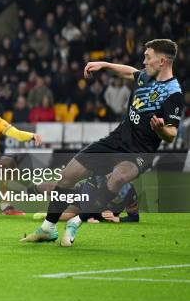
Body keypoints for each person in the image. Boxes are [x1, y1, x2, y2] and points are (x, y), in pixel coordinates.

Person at [22, 39, 184, 246]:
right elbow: (129, 72)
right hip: (117, 139)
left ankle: (77, 220)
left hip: (140, 152)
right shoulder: (146, 76)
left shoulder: (173, 94)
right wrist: (105, 65)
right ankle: (47, 228)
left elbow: (171, 133)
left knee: (117, 177)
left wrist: (161, 129)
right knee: (67, 176)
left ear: (162, 61)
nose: (144, 61)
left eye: (147, 57)